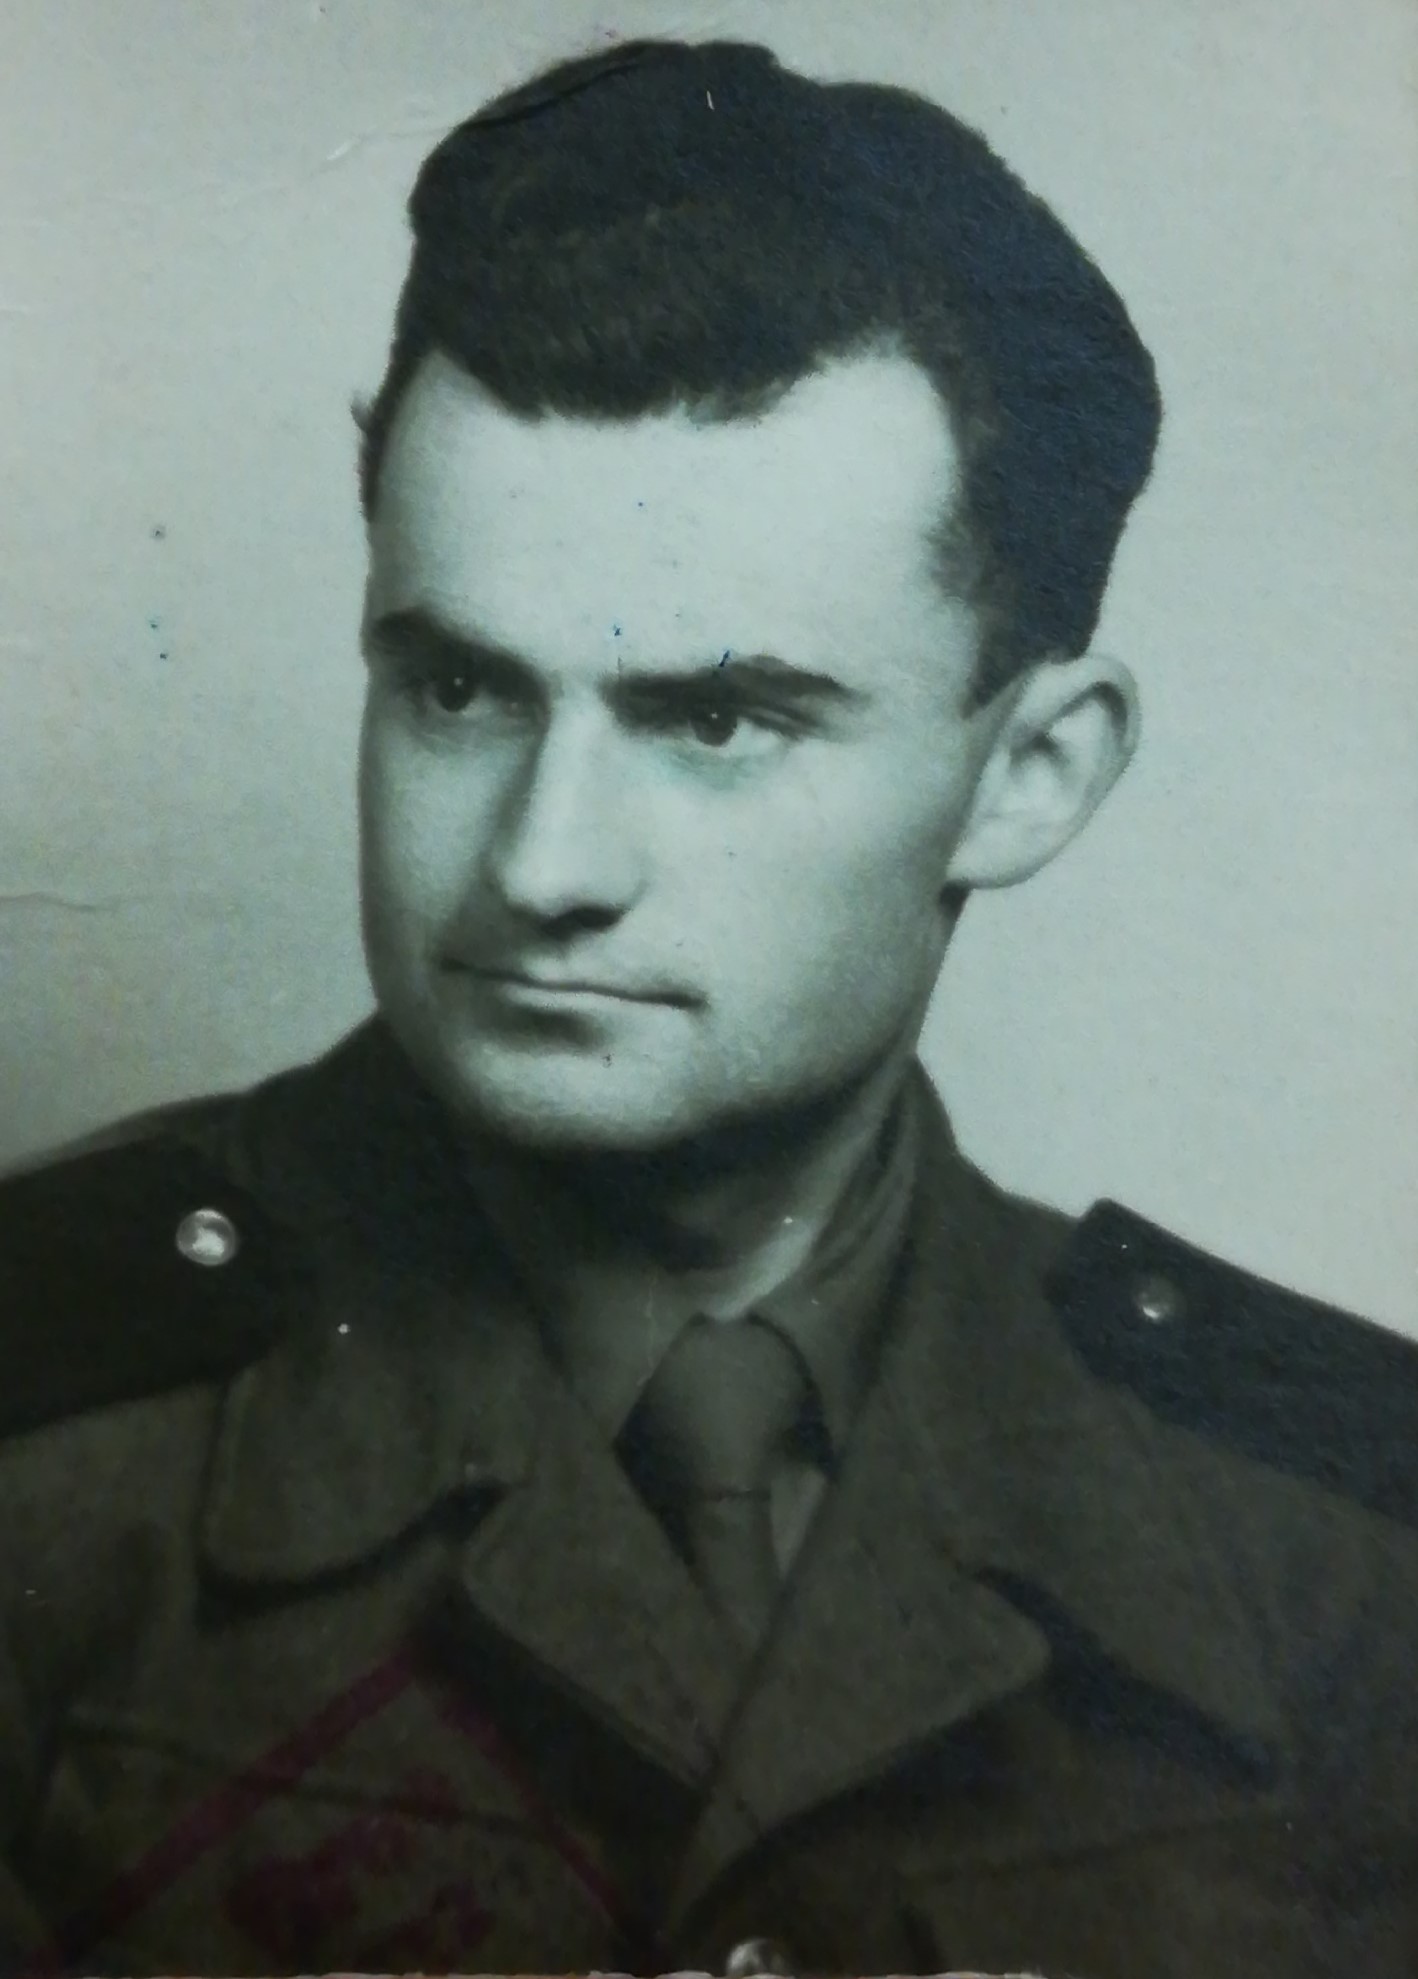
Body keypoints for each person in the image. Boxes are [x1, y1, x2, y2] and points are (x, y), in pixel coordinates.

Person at [2, 36, 1415, 1979]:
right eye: (457, 690)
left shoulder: (1340, 1549)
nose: (540, 862)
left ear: (1030, 776)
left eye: (718, 720)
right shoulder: (50, 1461)